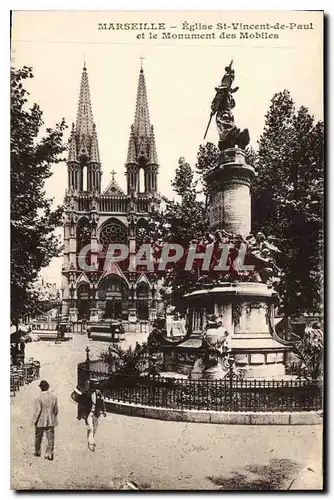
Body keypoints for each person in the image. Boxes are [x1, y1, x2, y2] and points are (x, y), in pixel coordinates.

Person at [77, 379, 106, 452]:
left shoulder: (98, 393)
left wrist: (104, 411)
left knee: (95, 428)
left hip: (95, 413)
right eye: (95, 384)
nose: (96, 386)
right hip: (88, 413)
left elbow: (102, 402)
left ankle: (91, 439)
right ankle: (91, 443)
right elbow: (80, 404)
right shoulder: (86, 393)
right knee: (90, 428)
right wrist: (79, 414)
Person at [32, 380, 58, 461]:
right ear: (48, 387)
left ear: (40, 388)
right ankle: (49, 454)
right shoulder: (53, 397)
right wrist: (53, 416)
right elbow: (56, 410)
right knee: (50, 438)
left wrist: (34, 421)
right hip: (50, 420)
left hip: (40, 421)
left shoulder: (38, 398)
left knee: (38, 437)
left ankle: (37, 451)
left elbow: (38, 411)